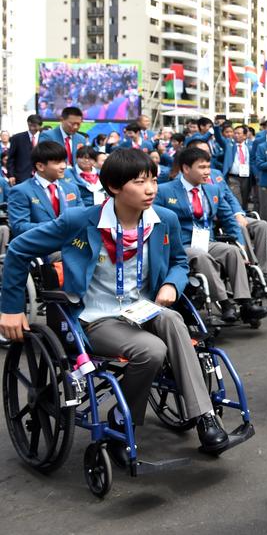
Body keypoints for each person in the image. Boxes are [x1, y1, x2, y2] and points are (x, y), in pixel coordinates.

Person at [0, 149, 229, 459]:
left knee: (174, 320)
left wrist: (171, 284)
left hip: (145, 307)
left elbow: (178, 261)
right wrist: (11, 309)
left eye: (152, 180)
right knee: (151, 350)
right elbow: (17, 249)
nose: (150, 189)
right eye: (139, 182)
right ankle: (123, 423)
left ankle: (204, 416)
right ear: (115, 188)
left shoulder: (165, 220)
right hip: (99, 317)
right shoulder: (80, 221)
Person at [155, 147, 267, 323]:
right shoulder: (164, 191)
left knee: (232, 251)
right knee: (201, 256)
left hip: (207, 241)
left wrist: (241, 245)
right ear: (186, 168)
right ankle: (225, 304)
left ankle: (246, 303)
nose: (207, 172)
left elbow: (228, 219)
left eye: (208, 166)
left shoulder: (212, 190)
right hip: (182, 245)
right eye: (201, 167)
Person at [186, 138, 267, 285]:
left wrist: (238, 213)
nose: (207, 155)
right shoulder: (188, 178)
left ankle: (264, 271)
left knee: (261, 225)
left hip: (230, 213)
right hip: (214, 219)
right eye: (203, 152)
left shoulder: (216, 174)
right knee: (240, 227)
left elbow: (229, 196)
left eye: (208, 152)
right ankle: (252, 268)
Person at [7, 141, 84, 237]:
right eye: (57, 162)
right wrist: (56, 227)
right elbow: (19, 227)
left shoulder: (72, 188)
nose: (64, 166)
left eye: (64, 161)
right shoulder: (21, 191)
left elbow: (82, 218)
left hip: (71, 246)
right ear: (40, 166)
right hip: (39, 249)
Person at [7, 114, 44, 185]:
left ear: (40, 126)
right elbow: (11, 158)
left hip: (42, 175)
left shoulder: (45, 137)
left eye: (35, 126)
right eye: (30, 125)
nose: (32, 128)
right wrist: (11, 175)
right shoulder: (17, 138)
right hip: (21, 176)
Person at [225, 124, 253, 210]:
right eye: (235, 133)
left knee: (245, 199)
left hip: (246, 177)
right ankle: (237, 217)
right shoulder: (229, 144)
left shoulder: (250, 146)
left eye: (239, 133)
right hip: (233, 177)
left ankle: (245, 219)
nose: (236, 135)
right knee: (236, 200)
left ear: (245, 136)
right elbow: (219, 138)